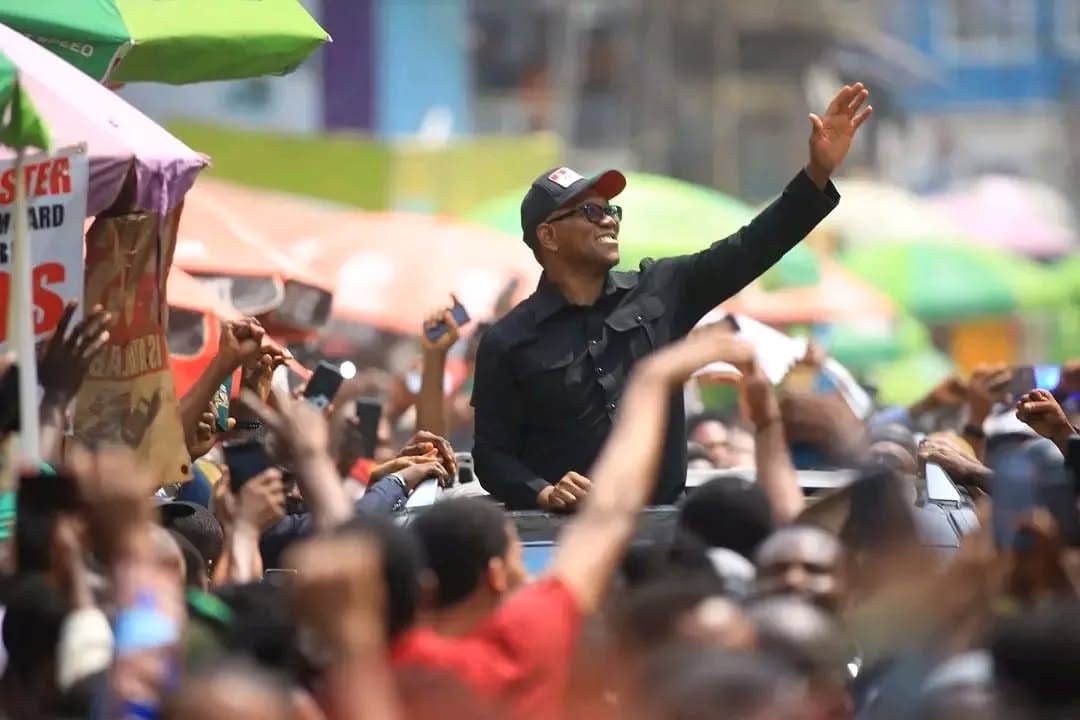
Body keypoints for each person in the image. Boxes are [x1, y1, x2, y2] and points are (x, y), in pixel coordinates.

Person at [472, 83, 872, 510]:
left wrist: (816, 175)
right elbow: (492, 457)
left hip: (663, 538)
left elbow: (752, 247)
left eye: (611, 210)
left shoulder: (662, 289)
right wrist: (543, 491)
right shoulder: (508, 341)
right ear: (548, 236)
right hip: (560, 542)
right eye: (591, 211)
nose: (609, 220)